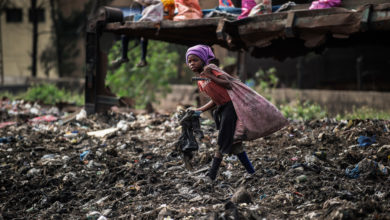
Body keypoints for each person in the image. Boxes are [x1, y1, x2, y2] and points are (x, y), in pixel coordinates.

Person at [186, 45, 256, 181]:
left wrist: (211, 76)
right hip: (223, 109)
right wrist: (199, 110)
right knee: (235, 144)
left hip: (232, 107)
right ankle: (252, 172)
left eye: (195, 60)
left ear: (203, 59)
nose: (192, 64)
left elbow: (228, 84)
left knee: (222, 141)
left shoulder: (211, 70)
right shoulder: (200, 80)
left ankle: (211, 175)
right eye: (189, 61)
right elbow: (215, 99)